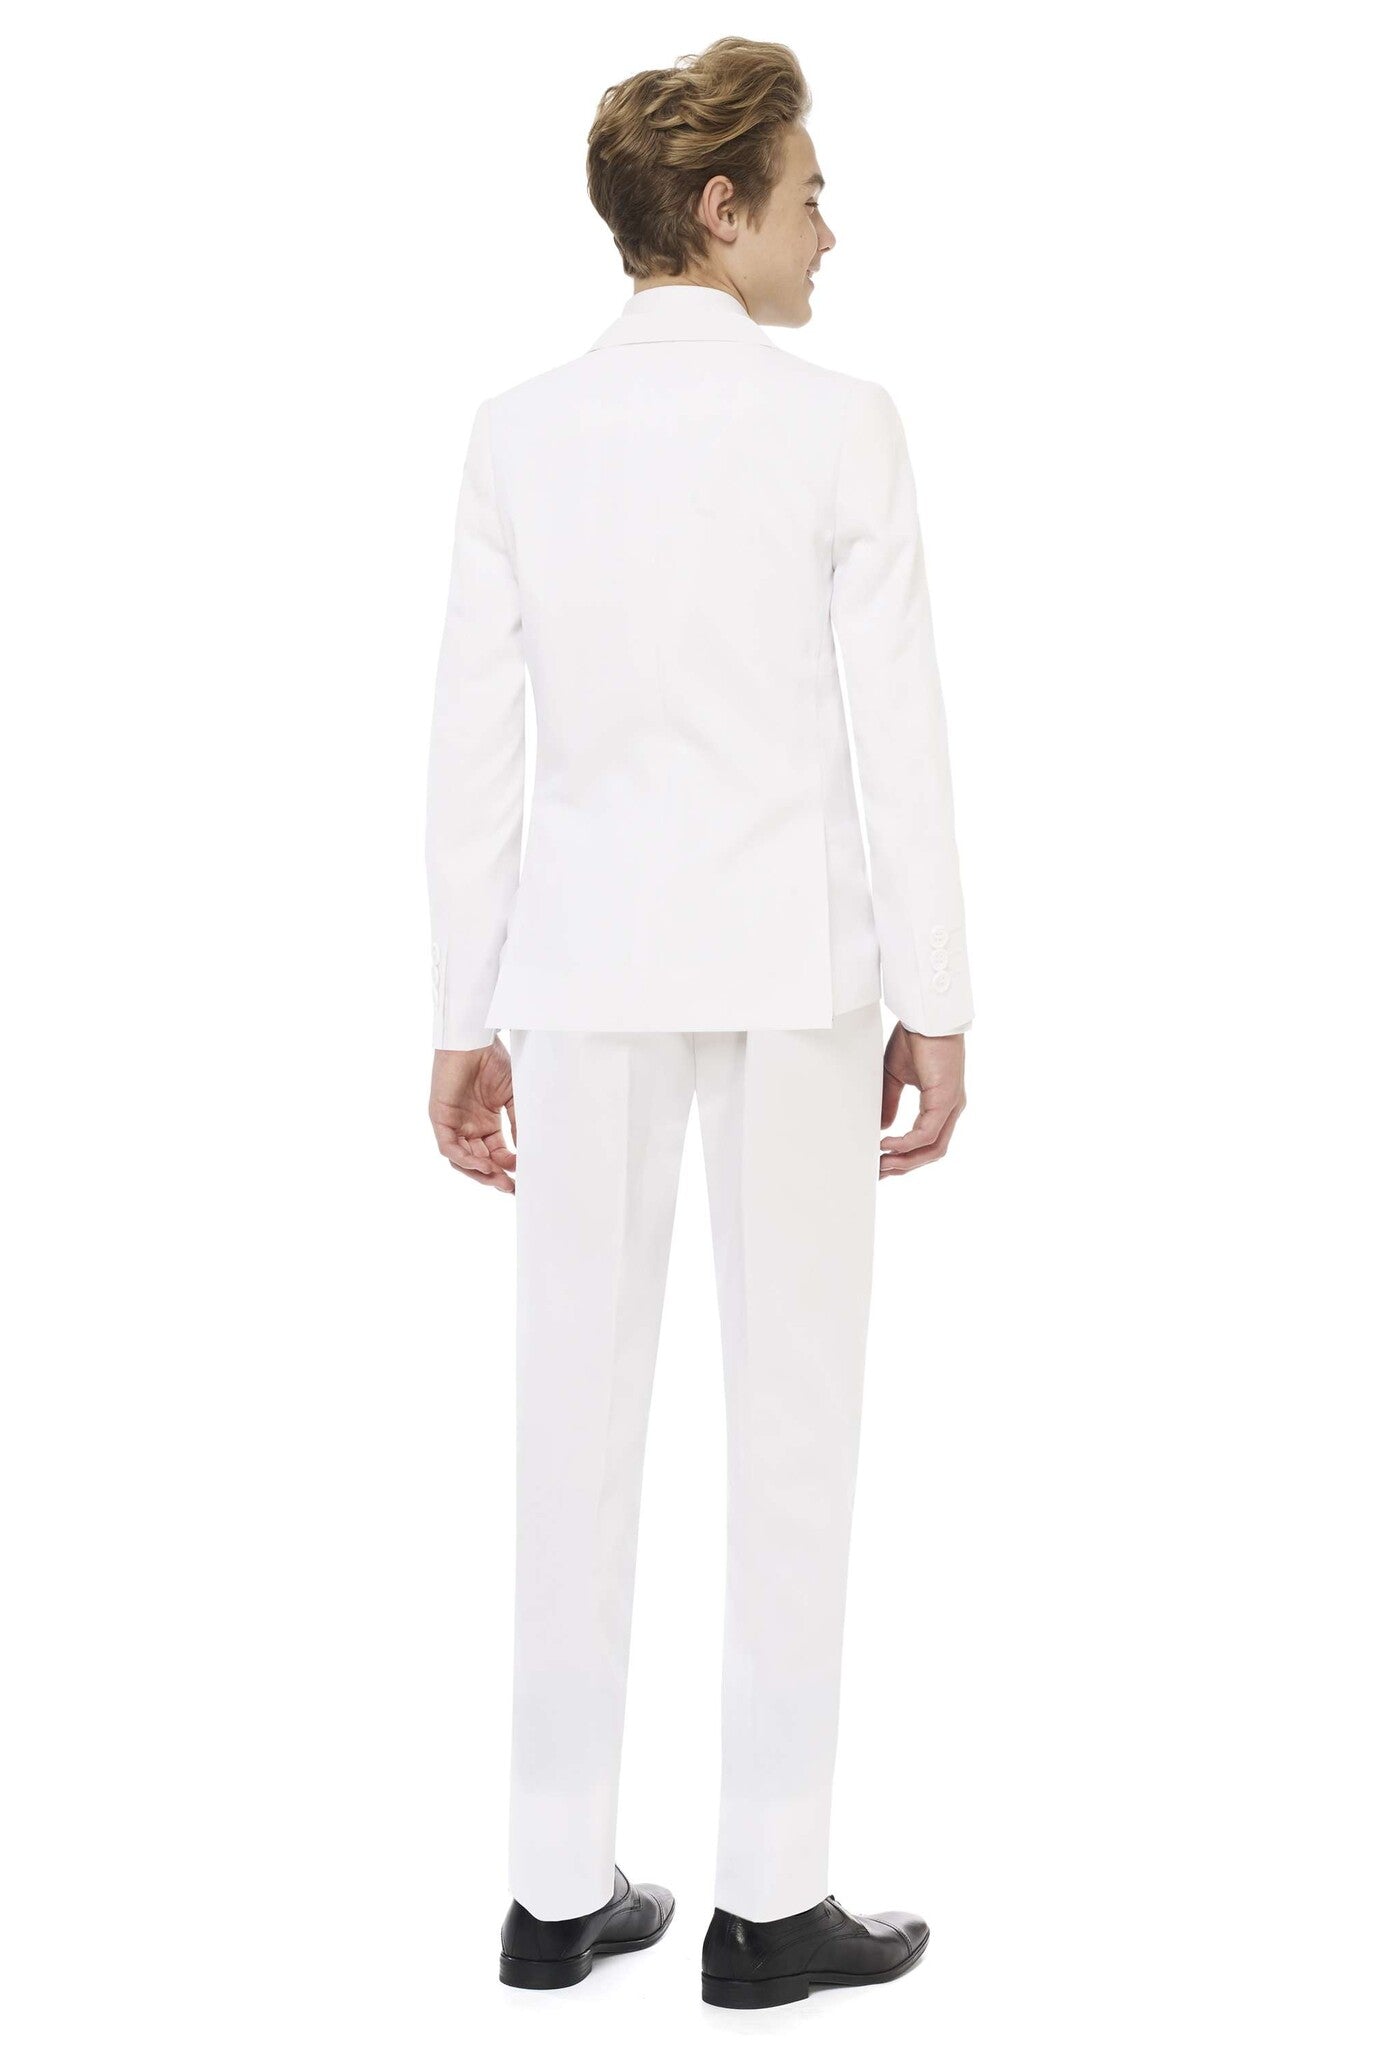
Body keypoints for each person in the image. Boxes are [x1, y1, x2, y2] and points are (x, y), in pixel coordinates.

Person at [425, 36, 972, 2008]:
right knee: (792, 1425)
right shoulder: (841, 429)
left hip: (578, 981)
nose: (834, 228)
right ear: (719, 208)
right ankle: (766, 1900)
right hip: (795, 979)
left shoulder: (517, 434)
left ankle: (551, 1888)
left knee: (567, 1423)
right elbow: (898, 735)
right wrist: (941, 997)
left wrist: (460, 1007)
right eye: (809, 193)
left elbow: (472, 745)